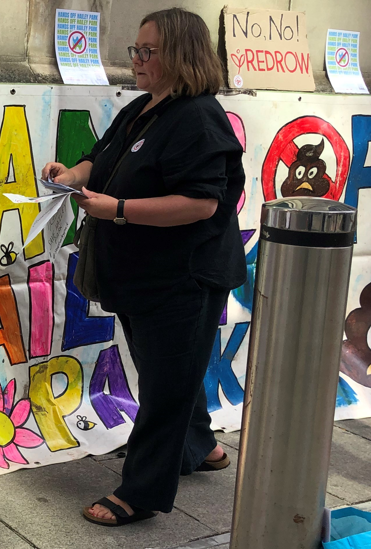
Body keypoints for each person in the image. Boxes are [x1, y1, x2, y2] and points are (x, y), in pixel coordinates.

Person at [42, 8, 247, 527]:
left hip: (184, 277)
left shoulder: (199, 118)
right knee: (168, 374)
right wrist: (71, 174)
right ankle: (200, 447)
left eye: (147, 51)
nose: (136, 60)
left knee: (165, 384)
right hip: (143, 275)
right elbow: (103, 161)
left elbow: (201, 204)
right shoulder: (144, 107)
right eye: (135, 50)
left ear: (180, 55)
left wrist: (119, 210)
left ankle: (142, 491)